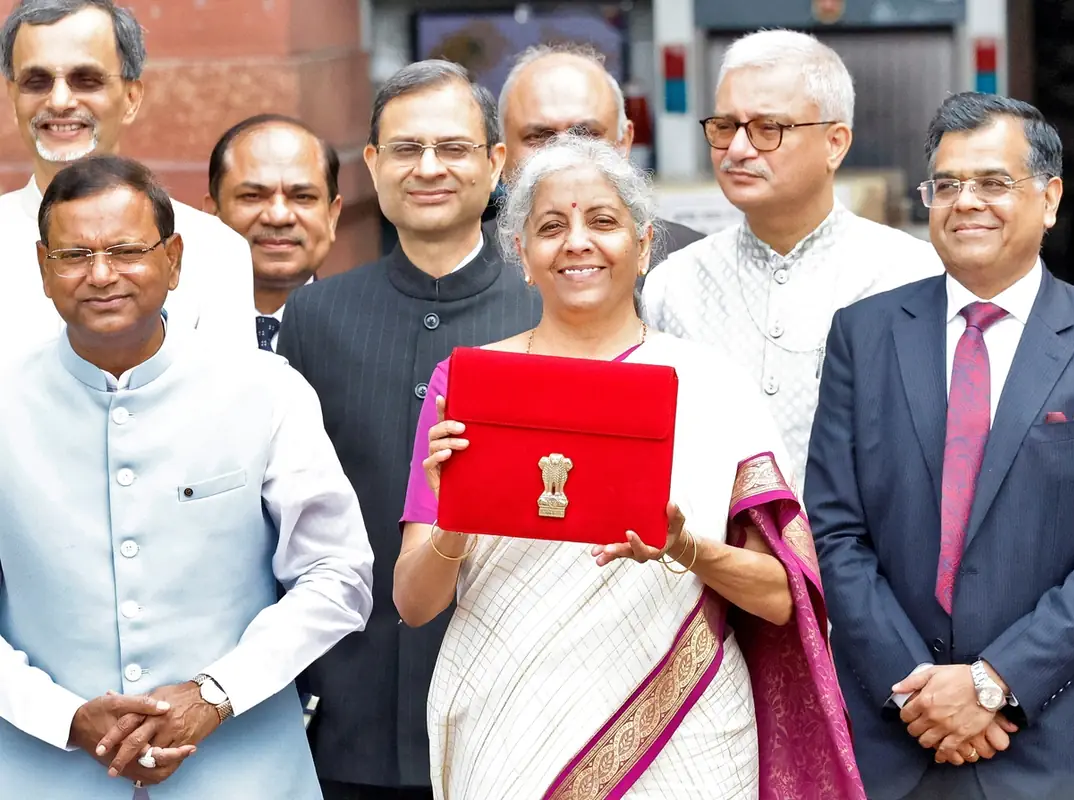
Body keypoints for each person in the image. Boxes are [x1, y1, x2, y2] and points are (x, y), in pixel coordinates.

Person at [395, 133, 864, 800]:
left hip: (685, 732)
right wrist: (456, 520)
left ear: (643, 246)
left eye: (603, 221)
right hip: (508, 725)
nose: (577, 242)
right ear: (522, 254)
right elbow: (413, 605)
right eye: (550, 227)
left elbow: (782, 599)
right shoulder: (471, 387)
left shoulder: (712, 386)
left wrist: (686, 548)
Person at [805, 92, 1074, 800]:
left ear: (1049, 199)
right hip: (898, 739)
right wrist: (918, 694)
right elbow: (835, 533)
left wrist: (994, 683)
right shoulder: (862, 336)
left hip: (1068, 745)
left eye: (993, 182)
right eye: (946, 184)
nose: (966, 202)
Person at [0, 155, 373, 798]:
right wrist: (64, 717)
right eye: (74, 255)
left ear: (174, 261)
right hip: (42, 774)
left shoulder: (266, 390)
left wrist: (215, 694)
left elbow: (337, 575)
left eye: (126, 251)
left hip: (246, 773)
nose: (101, 275)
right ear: (42, 267)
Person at [277, 60, 542, 800]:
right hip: (345, 705)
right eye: (404, 149)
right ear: (372, 164)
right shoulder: (316, 315)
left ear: (496, 162)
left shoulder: (544, 312)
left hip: (507, 703)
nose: (428, 168)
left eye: (453, 148)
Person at [641, 29, 943, 486]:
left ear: (835, 143)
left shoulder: (910, 275)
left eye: (768, 129)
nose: (737, 150)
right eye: (725, 127)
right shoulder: (673, 284)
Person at [0, 0, 253, 357]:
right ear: (12, 97)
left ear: (131, 98)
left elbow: (232, 389)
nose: (59, 101)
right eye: (36, 81)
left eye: (86, 80)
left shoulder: (215, 251)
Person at [497, 42, 704, 266]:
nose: (564, 153)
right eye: (540, 136)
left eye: (585, 134)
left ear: (623, 144)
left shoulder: (691, 263)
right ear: (500, 158)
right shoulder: (470, 265)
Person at [205, 114, 342, 352]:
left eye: (302, 197)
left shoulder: (373, 334)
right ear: (212, 214)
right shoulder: (166, 332)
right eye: (252, 196)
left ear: (332, 216)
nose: (279, 217)